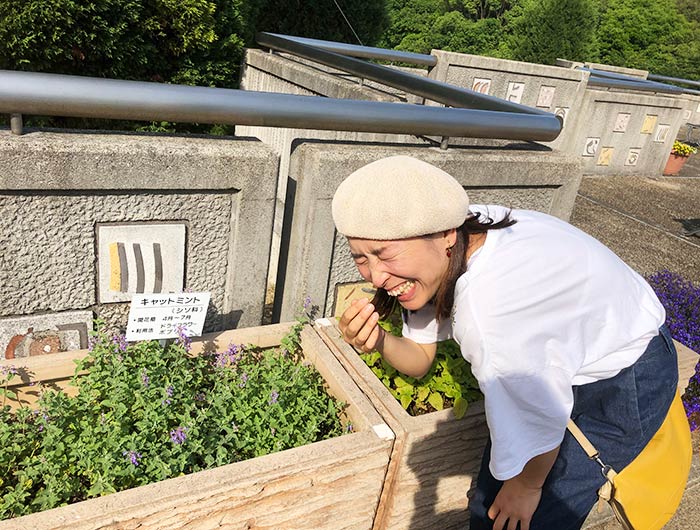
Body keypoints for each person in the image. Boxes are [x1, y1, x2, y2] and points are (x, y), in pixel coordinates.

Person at [332, 155, 678, 530]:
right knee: (492, 504)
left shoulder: (492, 310)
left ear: (445, 235)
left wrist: (527, 487)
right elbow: (420, 358)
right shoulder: (460, 234)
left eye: (384, 254)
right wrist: (379, 340)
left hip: (627, 375)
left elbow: (541, 414)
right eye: (361, 258)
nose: (376, 276)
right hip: (578, 351)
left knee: (533, 515)